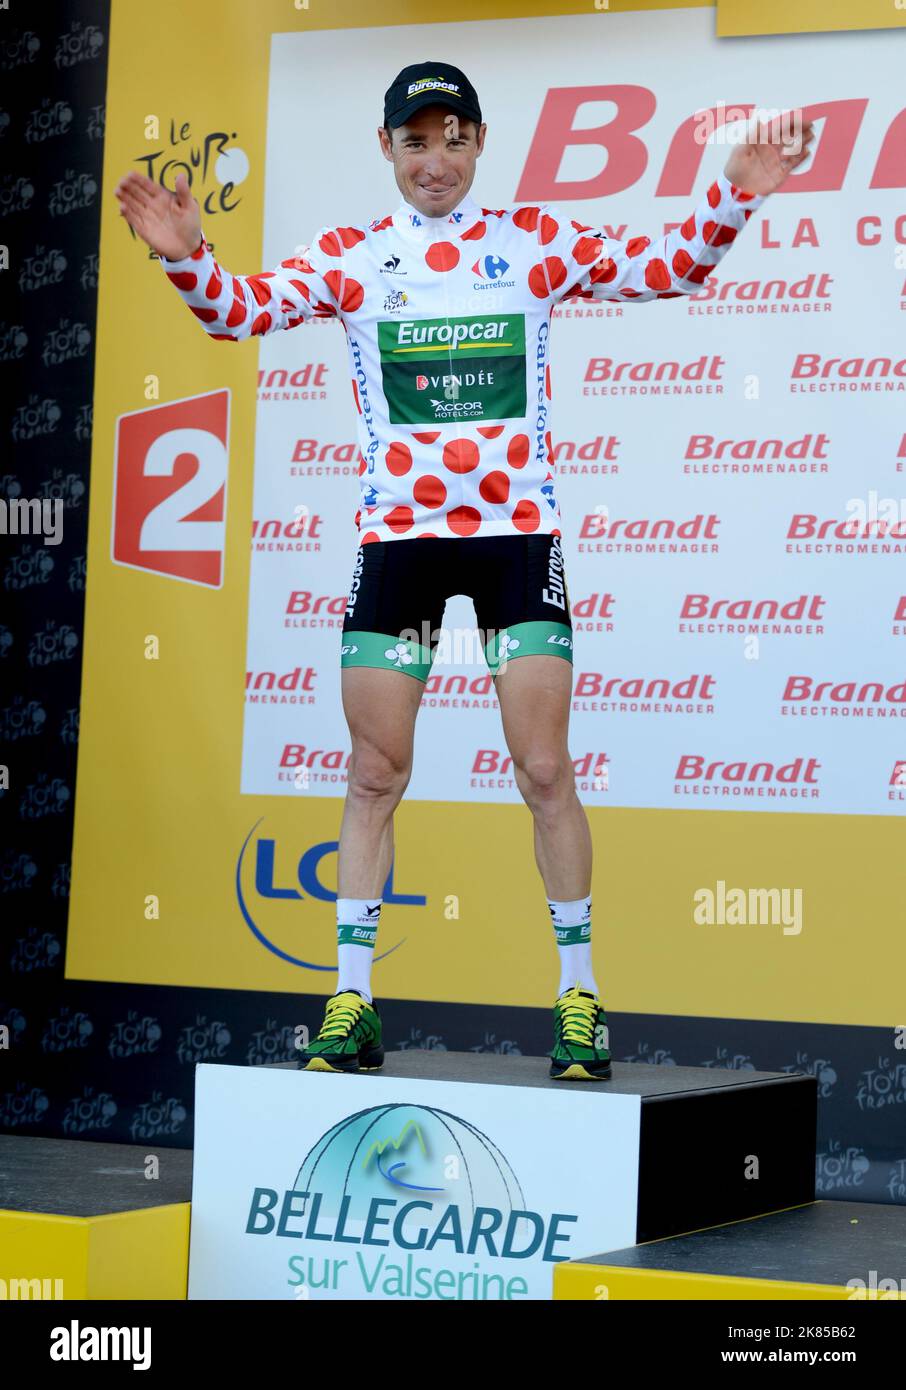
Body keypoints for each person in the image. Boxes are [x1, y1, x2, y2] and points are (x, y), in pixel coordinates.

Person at [115, 62, 813, 1081]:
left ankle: (579, 999)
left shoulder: (531, 244)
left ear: (479, 143)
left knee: (542, 768)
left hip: (514, 541)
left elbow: (674, 266)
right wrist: (188, 260)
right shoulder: (357, 257)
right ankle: (351, 1000)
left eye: (452, 139)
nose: (434, 161)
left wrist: (734, 190)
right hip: (399, 544)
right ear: (388, 150)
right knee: (373, 771)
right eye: (414, 141)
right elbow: (238, 311)